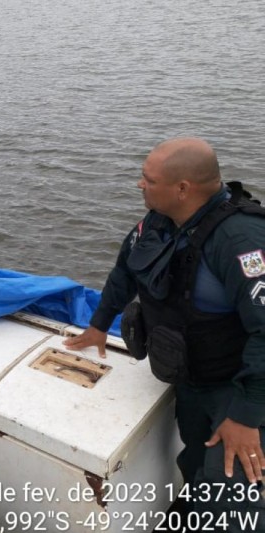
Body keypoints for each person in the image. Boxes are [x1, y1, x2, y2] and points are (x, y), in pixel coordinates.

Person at [64, 137, 265, 525]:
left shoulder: (241, 240)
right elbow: (125, 271)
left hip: (238, 386)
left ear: (183, 188)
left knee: (234, 490)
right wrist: (98, 325)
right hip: (190, 379)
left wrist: (245, 417)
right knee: (194, 464)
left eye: (148, 179)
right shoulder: (159, 221)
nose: (140, 184)